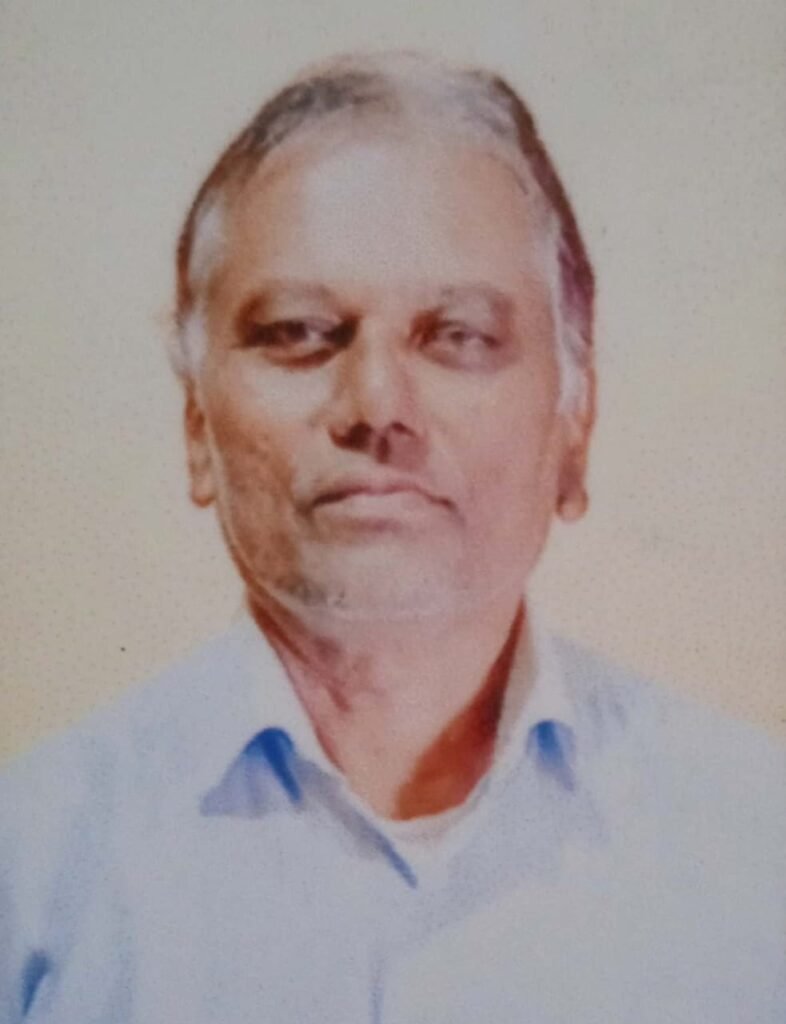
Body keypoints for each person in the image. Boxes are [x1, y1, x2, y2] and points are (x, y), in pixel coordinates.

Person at [1, 51, 783, 1024]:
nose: (376, 405)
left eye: (459, 336)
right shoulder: (32, 871)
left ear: (575, 427)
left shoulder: (760, 854)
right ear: (197, 427)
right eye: (299, 332)